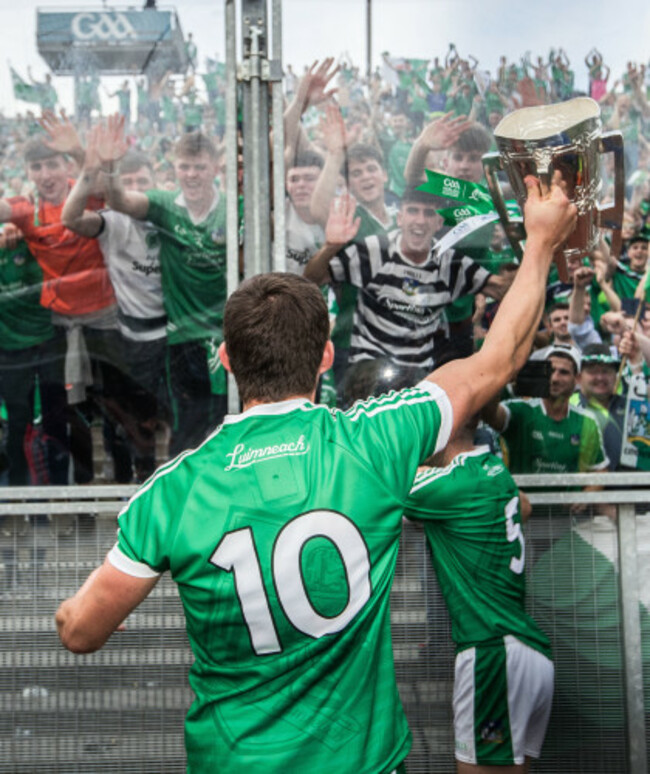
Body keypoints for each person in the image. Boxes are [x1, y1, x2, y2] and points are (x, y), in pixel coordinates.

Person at [56, 173, 576, 772]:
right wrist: (538, 243)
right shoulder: (372, 440)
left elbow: (80, 631)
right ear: (326, 356)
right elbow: (496, 360)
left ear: (224, 360)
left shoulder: (174, 489)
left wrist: (72, 614)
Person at [405, 418, 552, 772]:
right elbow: (525, 505)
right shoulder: (493, 467)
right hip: (531, 653)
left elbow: (377, 482)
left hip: (493, 653)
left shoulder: (451, 482)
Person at [96, 116, 228, 457]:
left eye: (199, 167)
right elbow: (121, 201)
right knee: (187, 426)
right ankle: (183, 501)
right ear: (175, 168)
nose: (191, 174)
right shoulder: (166, 205)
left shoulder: (233, 209)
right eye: (184, 167)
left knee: (228, 421)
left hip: (229, 336)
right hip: (185, 340)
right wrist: (109, 165)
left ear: (215, 167)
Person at [304, 187, 508, 370]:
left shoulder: (449, 263)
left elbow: (500, 289)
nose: (420, 220)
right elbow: (313, 279)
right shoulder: (374, 251)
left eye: (428, 213)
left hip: (418, 375)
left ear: (438, 223)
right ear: (400, 218)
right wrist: (331, 246)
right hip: (369, 371)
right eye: (412, 211)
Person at [62, 130, 168, 482]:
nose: (137, 188)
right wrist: (91, 170)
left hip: (173, 334)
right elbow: (71, 219)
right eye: (129, 181)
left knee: (171, 421)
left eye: (143, 181)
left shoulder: (168, 215)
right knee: (130, 422)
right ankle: (135, 482)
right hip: (127, 336)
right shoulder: (113, 221)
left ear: (156, 184)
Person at [483, 344, 608, 476]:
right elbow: (490, 415)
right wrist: (500, 379)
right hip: (525, 496)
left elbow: (599, 470)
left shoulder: (586, 422)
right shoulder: (520, 411)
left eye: (563, 372)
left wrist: (580, 497)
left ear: (577, 379)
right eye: (550, 371)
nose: (554, 378)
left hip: (569, 497)